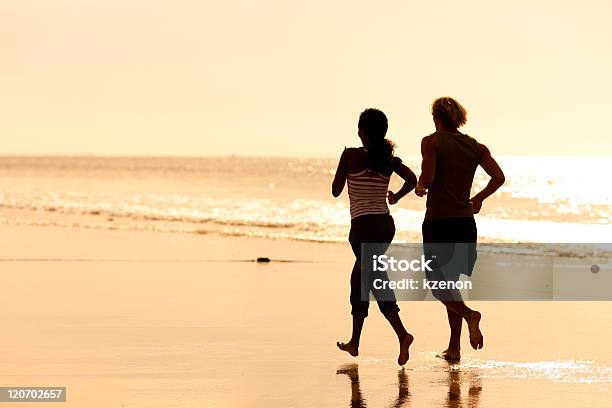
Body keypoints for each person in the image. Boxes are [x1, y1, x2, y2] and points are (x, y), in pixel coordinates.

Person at [415, 97, 505, 361]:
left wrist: (420, 186)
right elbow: (498, 177)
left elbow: (428, 179)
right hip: (465, 224)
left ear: (436, 117)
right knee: (451, 285)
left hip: (439, 222)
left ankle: (469, 315)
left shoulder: (431, 142)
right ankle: (454, 348)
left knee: (438, 285)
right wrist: (478, 198)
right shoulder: (475, 146)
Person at [332, 108, 417, 365]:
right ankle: (357, 342)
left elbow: (336, 191)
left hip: (362, 227)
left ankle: (401, 335)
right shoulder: (388, 159)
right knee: (364, 277)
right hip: (384, 225)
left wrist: (347, 173)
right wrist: (397, 196)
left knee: (367, 279)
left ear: (361, 131)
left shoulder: (350, 155)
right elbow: (412, 179)